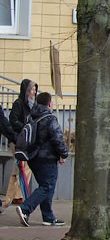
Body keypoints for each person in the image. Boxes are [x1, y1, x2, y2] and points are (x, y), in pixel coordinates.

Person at [15, 92, 69, 227]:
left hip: (32, 157)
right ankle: (25, 208)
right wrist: (64, 154)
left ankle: (48, 217)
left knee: (45, 187)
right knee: (47, 186)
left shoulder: (31, 116)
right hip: (47, 158)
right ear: (49, 103)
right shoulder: (50, 118)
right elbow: (57, 138)